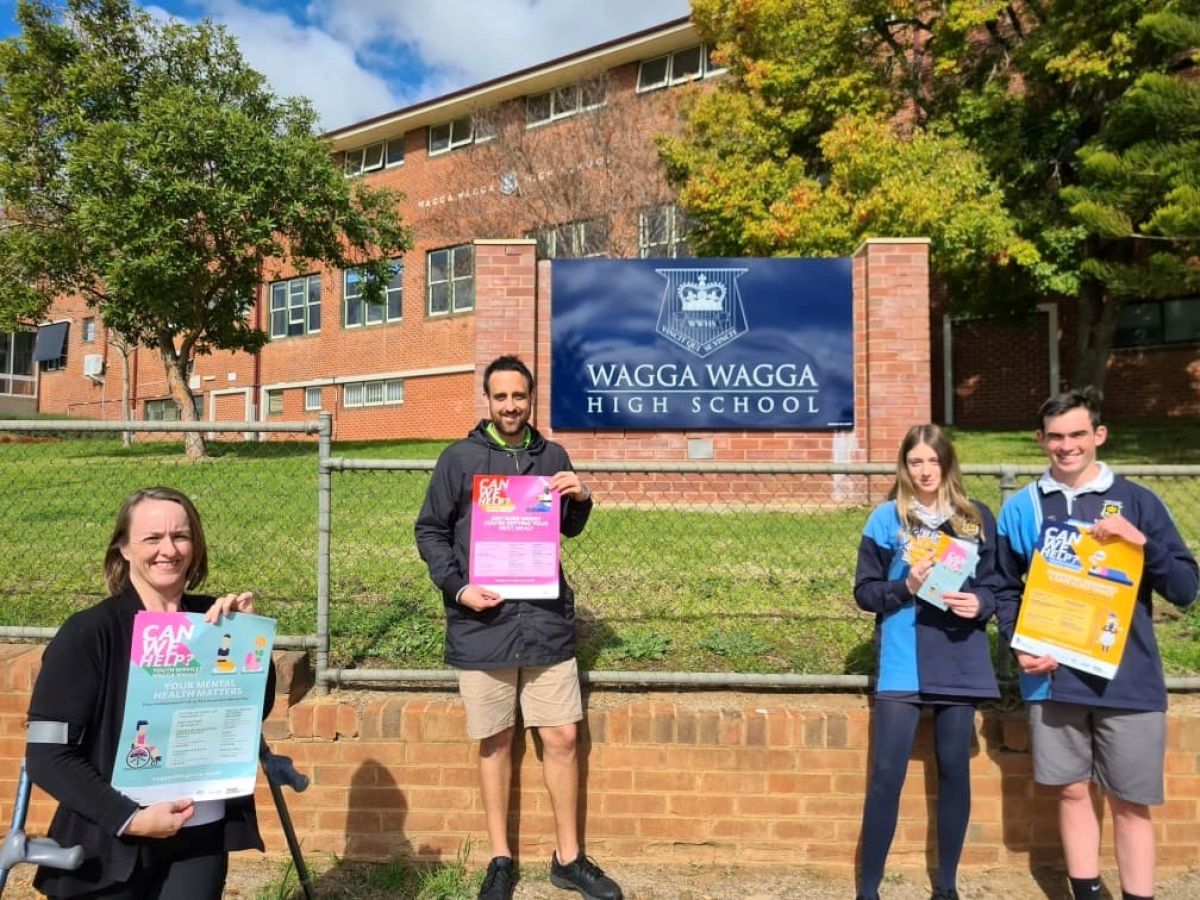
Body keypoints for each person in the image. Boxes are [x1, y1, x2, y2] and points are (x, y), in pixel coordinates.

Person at [415, 355, 622, 900]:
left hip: (545, 620)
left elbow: (567, 529)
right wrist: (458, 587)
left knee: (563, 735)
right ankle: (500, 858)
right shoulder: (459, 459)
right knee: (497, 739)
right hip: (482, 622)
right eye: (501, 397)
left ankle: (568, 859)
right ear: (487, 399)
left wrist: (581, 499)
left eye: (520, 397)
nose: (511, 406)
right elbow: (431, 531)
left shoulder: (551, 453)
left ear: (532, 399)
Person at [995, 390, 1198, 900]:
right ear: (1041, 441)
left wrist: (1141, 544)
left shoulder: (1138, 502)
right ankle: (1085, 892)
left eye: (1078, 434)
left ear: (1098, 436)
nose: (1067, 446)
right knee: (1070, 790)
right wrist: (1020, 645)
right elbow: (1001, 587)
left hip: (1127, 679)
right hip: (1051, 677)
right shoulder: (1021, 507)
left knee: (1130, 802)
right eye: (1056, 437)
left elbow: (1185, 589)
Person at [25, 486, 273, 898]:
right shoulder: (89, 633)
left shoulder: (213, 621)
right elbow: (47, 755)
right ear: (123, 548)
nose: (169, 550)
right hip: (110, 838)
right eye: (152, 538)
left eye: (181, 536)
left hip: (199, 833)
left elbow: (250, 715)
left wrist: (246, 640)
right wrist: (129, 818)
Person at [853, 424, 1003, 900]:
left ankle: (946, 886)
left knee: (954, 769)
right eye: (915, 461)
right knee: (885, 775)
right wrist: (905, 588)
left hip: (959, 658)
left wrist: (979, 604)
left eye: (932, 461)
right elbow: (865, 592)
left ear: (947, 464)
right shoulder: (885, 519)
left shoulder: (975, 517)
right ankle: (869, 889)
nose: (924, 471)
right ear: (904, 465)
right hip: (902, 662)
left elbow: (997, 587)